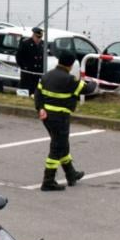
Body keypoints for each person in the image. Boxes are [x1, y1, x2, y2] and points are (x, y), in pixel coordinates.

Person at [34, 51, 92, 191]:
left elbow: (38, 94)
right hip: (60, 118)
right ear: (71, 65)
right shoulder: (69, 79)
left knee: (62, 145)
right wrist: (95, 83)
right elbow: (87, 89)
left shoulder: (47, 76)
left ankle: (71, 174)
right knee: (56, 148)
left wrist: (40, 108)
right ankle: (48, 181)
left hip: (47, 117)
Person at [15, 27, 45, 96]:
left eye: (40, 37)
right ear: (33, 35)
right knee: (24, 88)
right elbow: (18, 56)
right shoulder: (26, 43)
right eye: (37, 37)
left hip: (37, 71)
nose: (38, 39)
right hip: (27, 71)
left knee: (34, 89)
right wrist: (23, 66)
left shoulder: (43, 44)